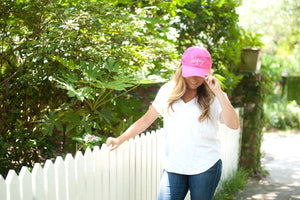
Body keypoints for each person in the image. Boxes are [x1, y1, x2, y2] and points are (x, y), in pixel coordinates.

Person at [106, 46, 240, 200]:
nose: (194, 79)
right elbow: (145, 120)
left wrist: (218, 92)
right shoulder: (168, 91)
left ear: (207, 73)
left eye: (199, 74)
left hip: (205, 166)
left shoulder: (213, 96)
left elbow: (233, 124)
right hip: (174, 167)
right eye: (191, 73)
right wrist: (120, 139)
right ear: (182, 68)